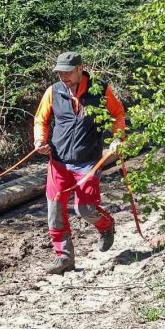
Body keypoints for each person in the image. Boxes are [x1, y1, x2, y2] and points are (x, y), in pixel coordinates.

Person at [33, 51, 126, 275]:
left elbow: (118, 114)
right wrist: (39, 140)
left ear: (80, 69)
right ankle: (64, 258)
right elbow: (41, 119)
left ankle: (106, 226)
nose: (62, 76)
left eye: (67, 72)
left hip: (88, 162)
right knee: (54, 211)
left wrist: (117, 139)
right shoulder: (53, 92)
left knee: (84, 209)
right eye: (59, 72)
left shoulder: (100, 90)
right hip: (58, 162)